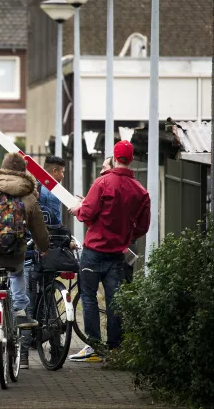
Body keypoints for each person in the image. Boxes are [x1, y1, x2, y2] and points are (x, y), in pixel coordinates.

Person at [69, 141, 150, 361]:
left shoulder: (102, 183)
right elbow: (143, 227)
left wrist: (78, 208)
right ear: (131, 159)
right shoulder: (141, 192)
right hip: (117, 255)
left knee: (88, 298)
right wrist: (126, 235)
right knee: (115, 302)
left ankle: (94, 346)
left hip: (93, 252)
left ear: (114, 157)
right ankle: (115, 349)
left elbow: (87, 214)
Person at [0, 152, 49, 370]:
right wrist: (44, 248)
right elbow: (38, 230)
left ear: (2, 168)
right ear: (23, 171)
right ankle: (19, 311)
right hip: (15, 256)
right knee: (18, 275)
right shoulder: (28, 196)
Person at [38, 155, 66, 224]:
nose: (63, 175)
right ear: (55, 171)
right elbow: (56, 223)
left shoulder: (37, 185)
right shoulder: (52, 193)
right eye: (62, 172)